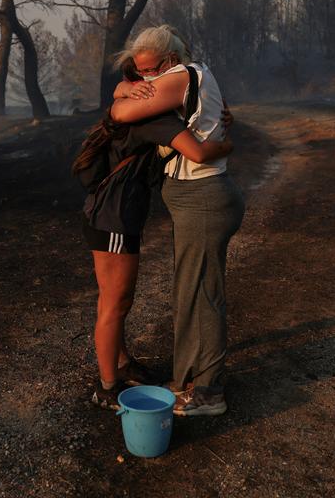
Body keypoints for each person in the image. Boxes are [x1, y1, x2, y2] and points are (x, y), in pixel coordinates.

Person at [74, 62, 234, 410]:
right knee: (116, 304)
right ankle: (106, 387)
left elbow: (119, 95)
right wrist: (226, 145)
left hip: (105, 214)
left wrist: (123, 91)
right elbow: (199, 152)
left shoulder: (136, 109)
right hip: (114, 220)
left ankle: (119, 364)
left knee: (112, 301)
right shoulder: (155, 120)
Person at [110, 25, 245, 417]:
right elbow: (123, 96)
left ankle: (208, 393)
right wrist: (127, 87)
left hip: (203, 198)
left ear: (169, 60)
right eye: (139, 72)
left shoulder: (181, 76)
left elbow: (121, 112)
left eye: (150, 71)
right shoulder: (190, 76)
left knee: (201, 294)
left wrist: (125, 95)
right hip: (198, 198)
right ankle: (188, 379)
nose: (145, 80)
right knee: (189, 291)